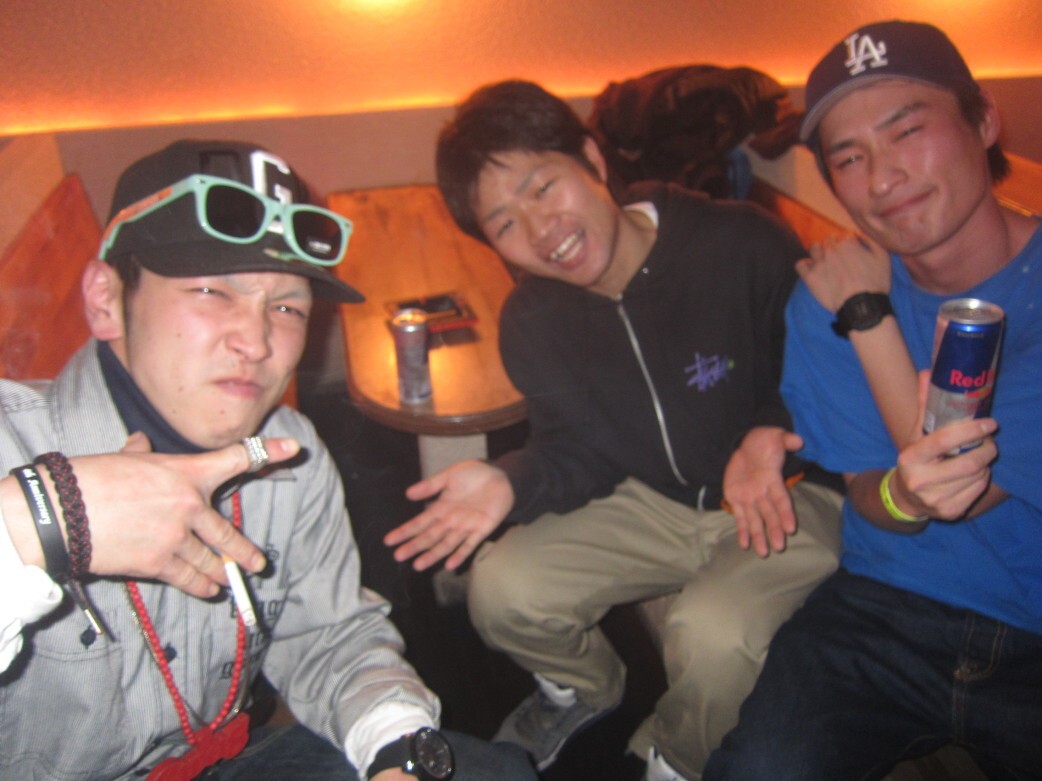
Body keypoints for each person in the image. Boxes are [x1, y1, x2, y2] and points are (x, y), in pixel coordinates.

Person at [0, 139, 538, 781]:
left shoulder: (290, 454)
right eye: (211, 291)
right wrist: (35, 525)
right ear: (105, 300)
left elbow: (329, 637)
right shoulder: (11, 444)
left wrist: (397, 752)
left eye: (285, 307)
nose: (256, 342)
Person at [382, 80, 844, 781]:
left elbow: (830, 373)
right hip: (656, 499)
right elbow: (578, 452)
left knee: (713, 632)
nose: (541, 231)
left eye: (542, 187)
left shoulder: (740, 241)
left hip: (790, 491)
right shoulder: (534, 320)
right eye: (505, 223)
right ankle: (587, 690)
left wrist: (769, 430)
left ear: (593, 160)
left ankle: (676, 757)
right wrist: (511, 479)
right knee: (501, 587)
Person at [703, 20, 1042, 780]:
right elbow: (870, 492)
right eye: (849, 158)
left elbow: (960, 487)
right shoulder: (826, 293)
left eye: (908, 131)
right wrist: (899, 497)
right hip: (886, 606)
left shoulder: (854, 297)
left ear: (985, 121)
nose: (882, 179)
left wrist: (870, 316)